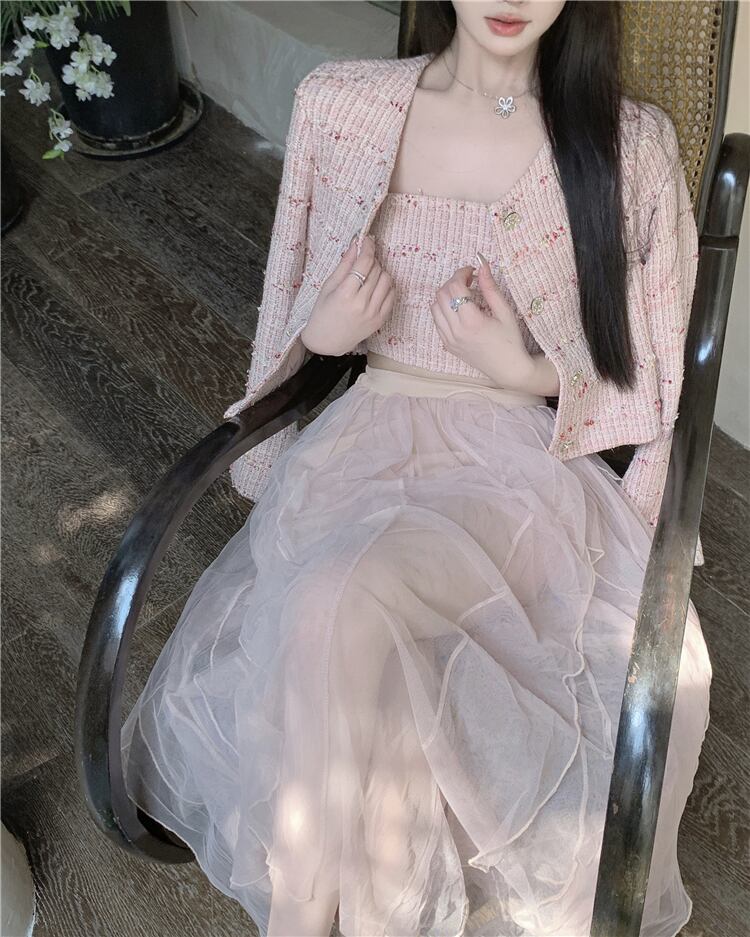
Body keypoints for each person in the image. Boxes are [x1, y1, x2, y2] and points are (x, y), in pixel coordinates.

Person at [120, 2, 713, 935]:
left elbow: (655, 379)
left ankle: (296, 916)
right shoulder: (343, 106)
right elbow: (288, 304)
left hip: (515, 476)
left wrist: (520, 369)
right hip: (362, 450)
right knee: (351, 646)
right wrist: (326, 332)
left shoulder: (627, 145)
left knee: (339, 598)